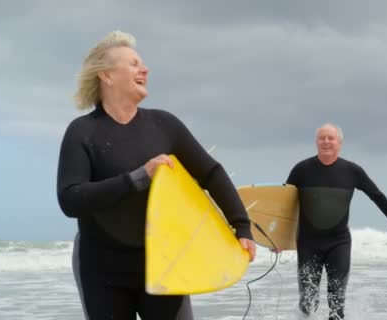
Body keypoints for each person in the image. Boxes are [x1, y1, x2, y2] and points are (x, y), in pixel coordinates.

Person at [57, 30, 256, 320]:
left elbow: (211, 173)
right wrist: (137, 178)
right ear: (107, 76)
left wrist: (241, 226)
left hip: (165, 263)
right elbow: (70, 198)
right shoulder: (83, 132)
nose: (145, 69)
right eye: (134, 63)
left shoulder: (164, 126)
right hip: (101, 268)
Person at [286, 123, 387, 319]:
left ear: (340, 143)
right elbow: (285, 205)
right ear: (316, 142)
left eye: (331, 138)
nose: (326, 141)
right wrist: (276, 238)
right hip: (308, 243)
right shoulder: (301, 170)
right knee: (308, 301)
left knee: (336, 302)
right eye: (322, 138)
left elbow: (377, 196)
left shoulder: (352, 171)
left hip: (339, 243)